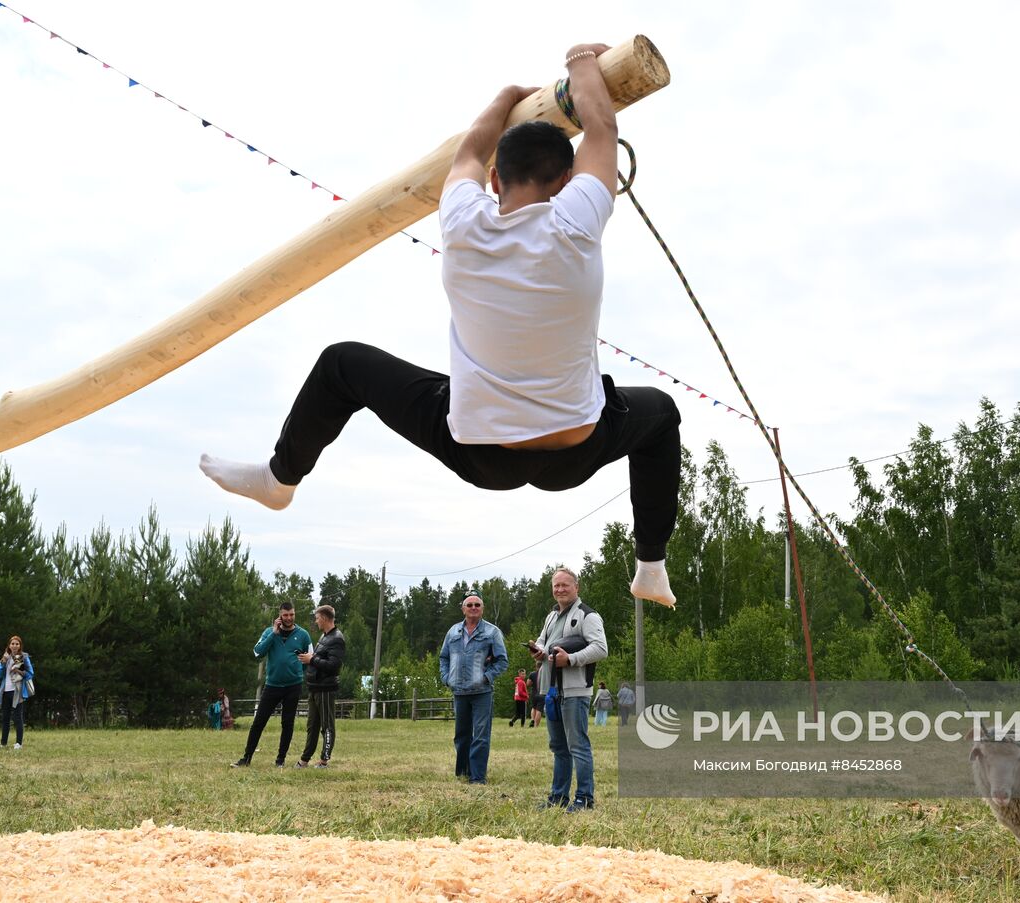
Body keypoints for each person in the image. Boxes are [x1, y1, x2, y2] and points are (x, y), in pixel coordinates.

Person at [199, 43, 679, 611]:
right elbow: (602, 126)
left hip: (479, 454)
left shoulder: (463, 223)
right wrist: (581, 61)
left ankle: (280, 480)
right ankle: (650, 562)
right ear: (570, 180)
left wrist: (506, 96)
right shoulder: (577, 224)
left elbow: (470, 149)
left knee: (342, 365)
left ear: (496, 183)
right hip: (576, 448)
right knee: (661, 415)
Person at [532, 567, 608, 812]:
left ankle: (585, 799)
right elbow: (543, 640)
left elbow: (600, 649)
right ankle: (558, 797)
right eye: (556, 586)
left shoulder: (588, 615)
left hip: (575, 691)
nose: (560, 590)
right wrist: (540, 650)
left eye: (565, 585)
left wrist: (572, 659)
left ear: (577, 587)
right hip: (552, 690)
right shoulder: (551, 616)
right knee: (559, 748)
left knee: (578, 746)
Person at [439, 594, 509, 784]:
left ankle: (477, 777)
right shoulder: (453, 632)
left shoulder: (492, 632)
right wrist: (446, 678)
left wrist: (486, 677)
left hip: (482, 693)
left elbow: (502, 661)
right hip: (459, 691)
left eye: (477, 604)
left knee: (480, 736)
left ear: (482, 608)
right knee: (461, 735)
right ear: (463, 608)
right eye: (469, 605)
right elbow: (443, 658)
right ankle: (463, 771)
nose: (473, 607)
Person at [234, 601, 311, 768]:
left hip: (293, 686)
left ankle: (280, 761)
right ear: (279, 616)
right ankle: (246, 758)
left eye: (291, 614)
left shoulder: (303, 635)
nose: (289, 618)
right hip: (273, 685)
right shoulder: (269, 632)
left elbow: (310, 658)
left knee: (287, 723)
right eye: (285, 615)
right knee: (259, 722)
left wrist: (296, 671)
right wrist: (273, 634)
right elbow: (257, 652)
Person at [296, 604, 346, 768]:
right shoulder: (324, 637)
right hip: (314, 687)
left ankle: (324, 760)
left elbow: (334, 666)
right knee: (312, 726)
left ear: (324, 618)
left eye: (317, 618)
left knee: (327, 726)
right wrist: (309, 658)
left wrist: (312, 659)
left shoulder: (337, 638)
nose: (316, 621)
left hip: (325, 689)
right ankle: (305, 759)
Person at [0, 636, 34, 749]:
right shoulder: (5, 657)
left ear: (20, 645)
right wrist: (3, 662)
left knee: (18, 718)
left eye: (17, 644)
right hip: (6, 691)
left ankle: (18, 743)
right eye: (13, 644)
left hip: (17, 691)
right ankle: (3, 743)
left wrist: (18, 670)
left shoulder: (24, 657)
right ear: (9, 645)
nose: (15, 646)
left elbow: (30, 674)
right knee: (5, 718)